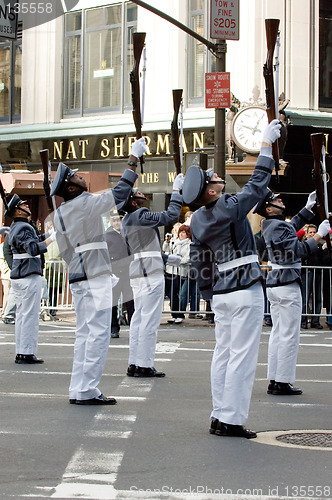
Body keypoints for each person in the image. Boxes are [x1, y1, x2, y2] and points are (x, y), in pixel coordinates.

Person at [182, 119, 282, 439]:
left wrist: (209, 294)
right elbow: (256, 184)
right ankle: (232, 420)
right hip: (245, 287)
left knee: (223, 353)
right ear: (211, 190)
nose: (218, 177)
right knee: (241, 355)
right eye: (214, 178)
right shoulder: (227, 206)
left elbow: (200, 261)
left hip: (222, 293)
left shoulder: (197, 219)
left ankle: (219, 413)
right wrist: (265, 147)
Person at [51, 137, 147, 405]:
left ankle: (78, 387)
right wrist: (132, 160)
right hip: (95, 274)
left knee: (84, 333)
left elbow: (66, 251)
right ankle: (87, 389)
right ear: (70, 188)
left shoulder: (59, 213)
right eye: (76, 177)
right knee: (98, 333)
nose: (81, 178)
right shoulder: (84, 202)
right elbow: (118, 194)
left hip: (79, 275)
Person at [255, 190, 330, 396]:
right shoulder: (276, 226)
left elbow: (291, 227)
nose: (280, 200)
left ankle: (275, 378)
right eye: (275, 200)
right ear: (269, 209)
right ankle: (282, 381)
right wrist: (318, 235)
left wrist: (308, 208)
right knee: (288, 334)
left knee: (279, 333)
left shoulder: (272, 225)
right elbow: (297, 251)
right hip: (286, 284)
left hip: (277, 285)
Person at [119, 174, 184, 378]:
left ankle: (134, 362)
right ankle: (144, 364)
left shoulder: (125, 221)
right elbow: (170, 215)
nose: (140, 194)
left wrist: (166, 258)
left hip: (138, 272)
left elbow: (143, 249)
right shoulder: (141, 215)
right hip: (149, 273)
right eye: (136, 193)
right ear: (132, 201)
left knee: (138, 319)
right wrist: (176, 192)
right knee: (149, 320)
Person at [6, 195, 54, 364]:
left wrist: (50, 233)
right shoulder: (23, 228)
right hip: (28, 275)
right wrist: (52, 239)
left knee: (22, 315)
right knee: (29, 316)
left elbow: (35, 239)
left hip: (21, 275)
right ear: (18, 211)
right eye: (23, 205)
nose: (27, 206)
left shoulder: (17, 227)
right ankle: (26, 353)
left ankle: (22, 351)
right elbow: (33, 248)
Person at [105, 211, 134, 338]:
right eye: (115, 220)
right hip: (114, 272)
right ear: (111, 221)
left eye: (119, 220)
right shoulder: (107, 235)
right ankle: (113, 327)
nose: (117, 223)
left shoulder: (127, 233)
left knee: (131, 302)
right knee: (112, 303)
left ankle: (134, 326)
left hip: (127, 272)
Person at [300, 224, 324, 329]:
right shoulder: (304, 245)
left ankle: (315, 321)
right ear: (307, 234)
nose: (313, 234)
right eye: (310, 232)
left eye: (314, 232)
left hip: (318, 273)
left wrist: (326, 250)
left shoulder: (320, 246)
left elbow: (324, 260)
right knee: (305, 298)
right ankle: (303, 321)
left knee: (318, 298)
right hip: (307, 273)